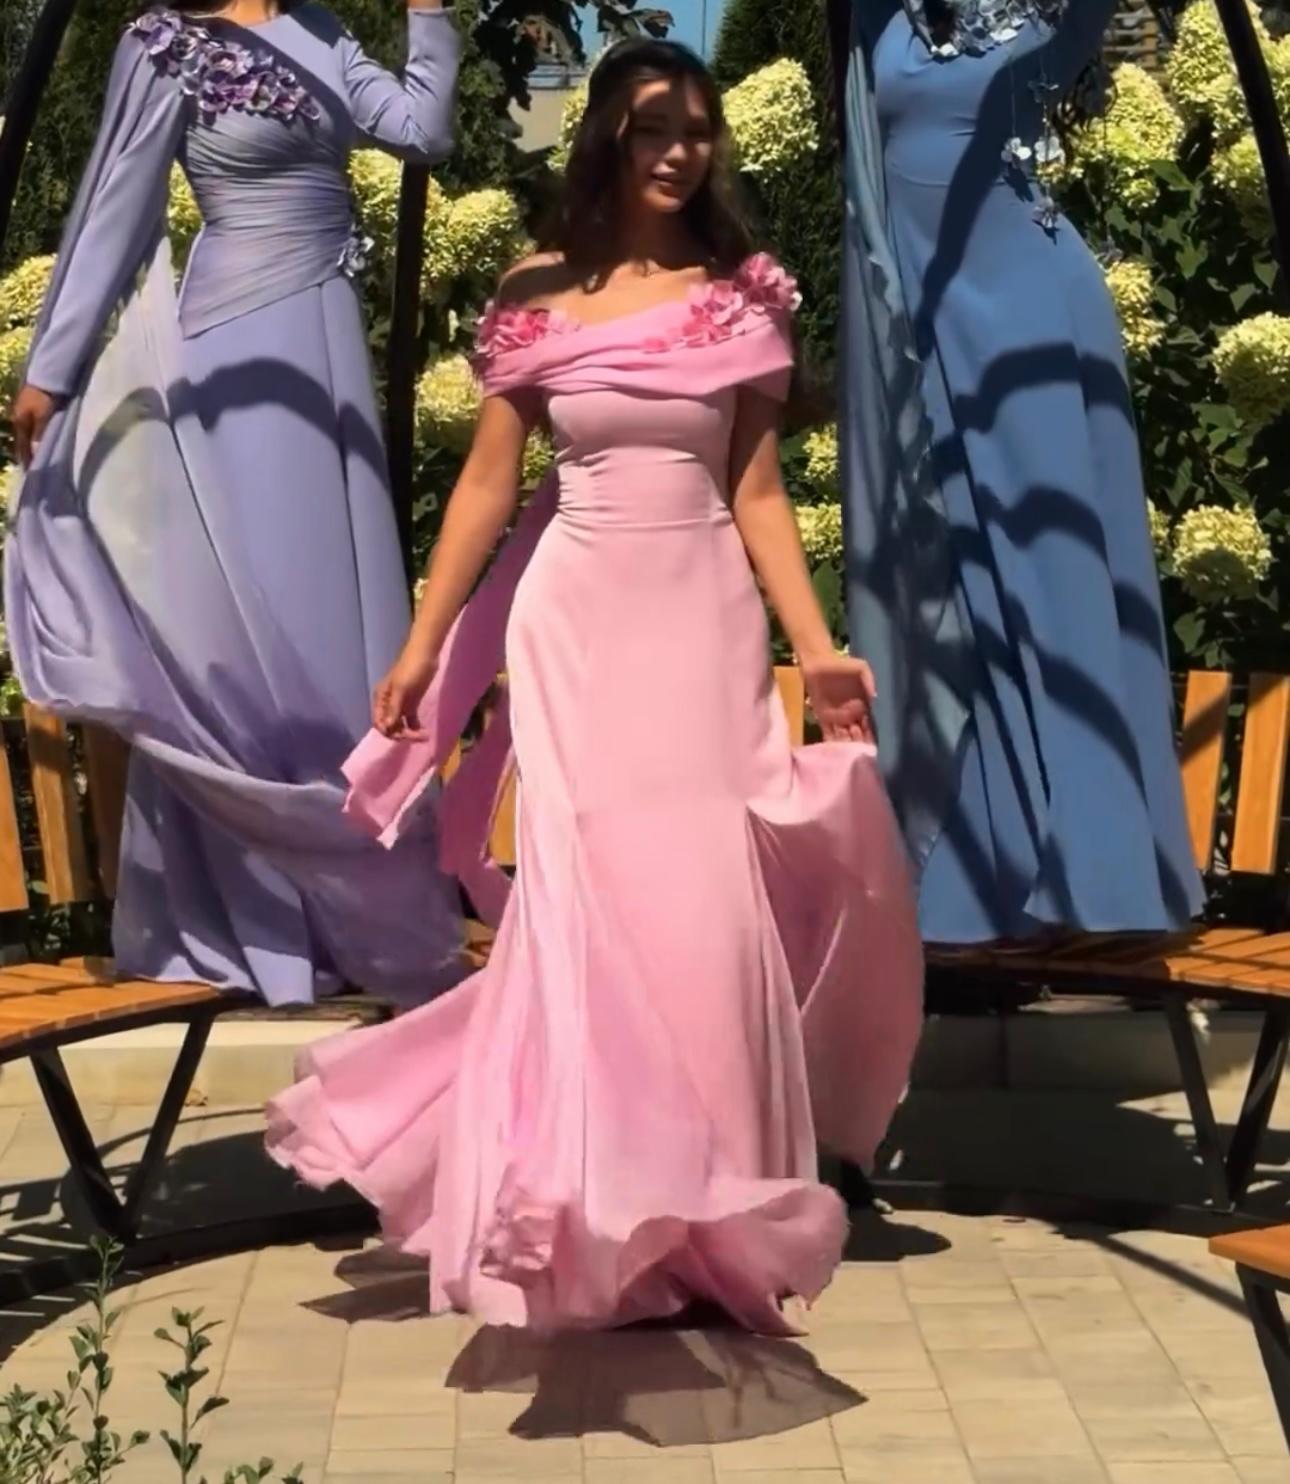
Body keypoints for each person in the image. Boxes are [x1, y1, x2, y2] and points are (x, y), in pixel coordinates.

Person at [265, 38, 924, 1334]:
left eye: (696, 130)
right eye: (651, 129)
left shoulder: (742, 296)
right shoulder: (535, 291)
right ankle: (583, 1207)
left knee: (702, 910)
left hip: (702, 627)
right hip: (574, 626)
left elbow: (755, 492)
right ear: (608, 141)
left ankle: (709, 1213)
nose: (678, 151)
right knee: (587, 903)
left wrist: (814, 645)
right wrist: (422, 647)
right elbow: (488, 484)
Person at [6, 0, 467, 1005]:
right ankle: (250, 922)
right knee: (253, 623)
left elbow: (423, 132)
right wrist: (54, 366)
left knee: (339, 620)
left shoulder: (323, 32)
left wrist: (429, 13)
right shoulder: (164, 41)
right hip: (238, 353)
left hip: (328, 354)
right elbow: (113, 206)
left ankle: (348, 911)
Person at [829, 0, 1204, 946]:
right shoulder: (881, 17)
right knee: (959, 580)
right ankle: (987, 879)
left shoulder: (1054, 20)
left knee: (1057, 579)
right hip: (924, 326)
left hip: (1033, 319)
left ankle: (1096, 876)